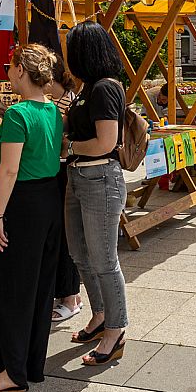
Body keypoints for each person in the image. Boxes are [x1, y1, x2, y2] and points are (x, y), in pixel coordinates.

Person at [0, 44, 64, 392]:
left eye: (12, 67)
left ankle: (12, 372)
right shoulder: (53, 111)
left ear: (21, 71)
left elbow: (9, 170)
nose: (9, 72)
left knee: (13, 289)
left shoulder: (18, 114)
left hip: (24, 204)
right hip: (49, 201)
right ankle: (29, 365)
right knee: (40, 288)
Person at [63, 21, 128, 366]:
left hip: (100, 178)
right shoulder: (88, 87)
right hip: (79, 177)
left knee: (104, 259)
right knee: (79, 254)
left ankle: (115, 331)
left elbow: (106, 142)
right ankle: (101, 314)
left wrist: (69, 145)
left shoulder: (104, 88)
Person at [43, 58, 81, 324]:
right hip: (57, 169)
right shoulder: (56, 101)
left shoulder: (69, 101)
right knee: (62, 234)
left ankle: (70, 296)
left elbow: (67, 141)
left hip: (63, 170)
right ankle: (69, 295)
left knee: (65, 235)